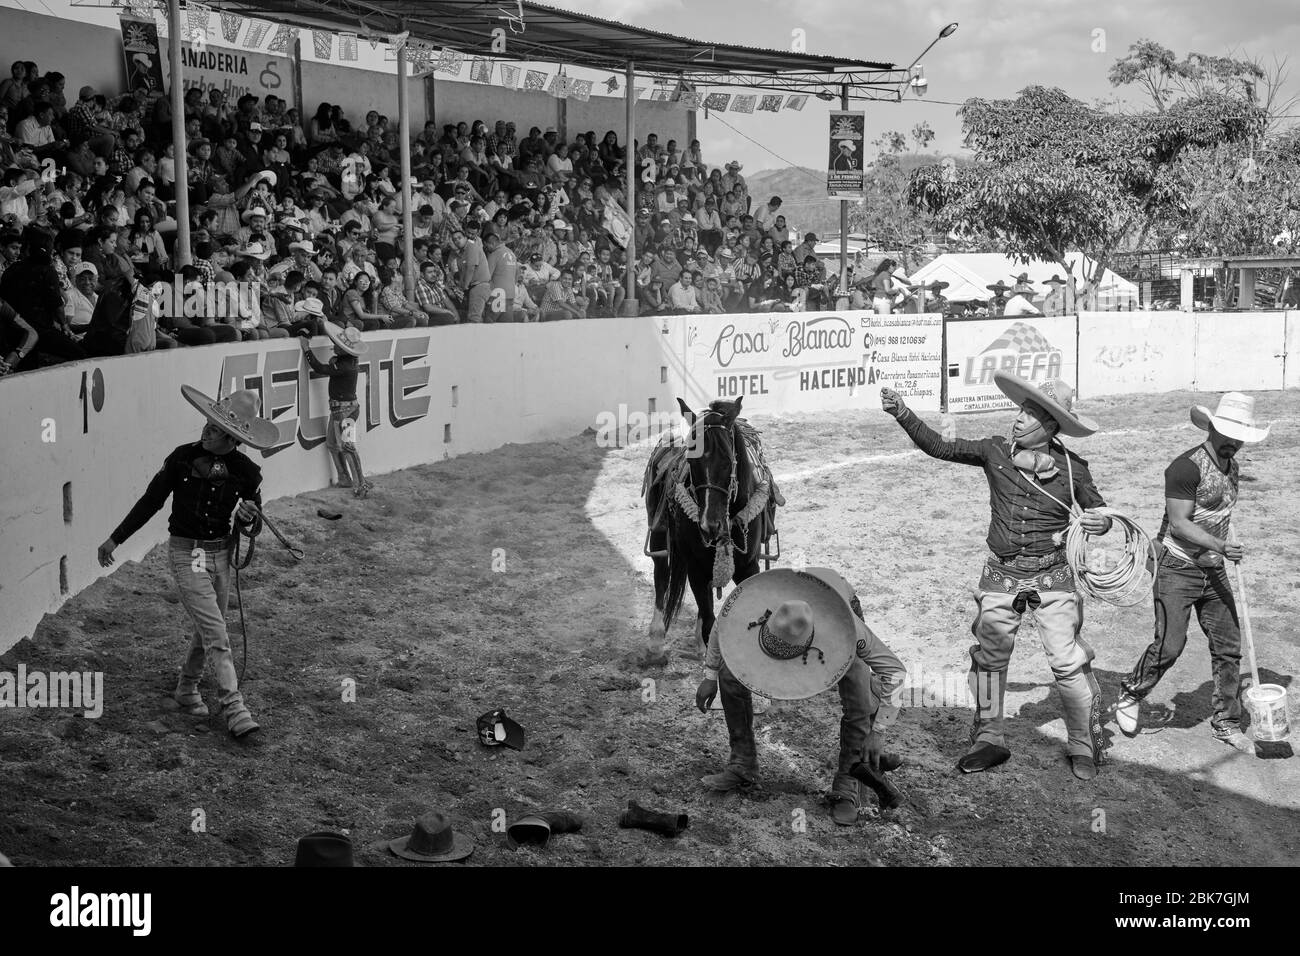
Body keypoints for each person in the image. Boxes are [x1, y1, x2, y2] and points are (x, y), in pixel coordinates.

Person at [881, 372, 1113, 780]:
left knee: (1067, 663)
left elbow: (1100, 513)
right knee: (990, 661)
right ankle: (989, 738)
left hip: (1052, 576)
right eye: (1020, 410)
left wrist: (1100, 524)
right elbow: (940, 446)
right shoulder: (993, 451)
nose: (1019, 419)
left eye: (1032, 414)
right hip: (1001, 575)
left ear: (1052, 426)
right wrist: (902, 412)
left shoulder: (1073, 470)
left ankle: (1082, 742)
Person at [97, 386, 279, 739]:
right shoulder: (182, 458)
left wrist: (246, 517)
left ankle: (187, 688)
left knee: (210, 625)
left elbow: (253, 523)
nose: (205, 431)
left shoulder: (247, 472)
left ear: (231, 438)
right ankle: (234, 706)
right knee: (216, 630)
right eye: (207, 424)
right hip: (188, 551)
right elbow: (151, 500)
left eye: (214, 428)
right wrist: (116, 537)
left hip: (221, 551)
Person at [1114, 393, 1270, 752]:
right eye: (1228, 434)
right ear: (1213, 428)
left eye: (1240, 436)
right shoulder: (1185, 467)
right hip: (1177, 568)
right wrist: (1220, 547)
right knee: (1170, 646)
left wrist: (1223, 540)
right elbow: (1181, 524)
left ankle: (1226, 722)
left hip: (1213, 571)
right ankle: (1131, 693)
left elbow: (1216, 513)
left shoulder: (1233, 467)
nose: (1234, 442)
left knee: (1229, 647)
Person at [695, 567, 907, 824]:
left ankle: (848, 783)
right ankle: (742, 763)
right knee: (729, 674)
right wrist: (710, 675)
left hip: (841, 603)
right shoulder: (749, 604)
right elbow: (721, 627)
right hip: (792, 606)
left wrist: (880, 730)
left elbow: (895, 671)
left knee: (858, 694)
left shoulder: (849, 629)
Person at [301, 322, 373, 497]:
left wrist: (307, 350)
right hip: (343, 410)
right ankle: (346, 478)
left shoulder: (343, 366)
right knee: (336, 444)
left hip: (342, 411)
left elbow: (320, 368)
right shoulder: (347, 363)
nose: (334, 346)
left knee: (345, 446)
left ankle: (359, 483)